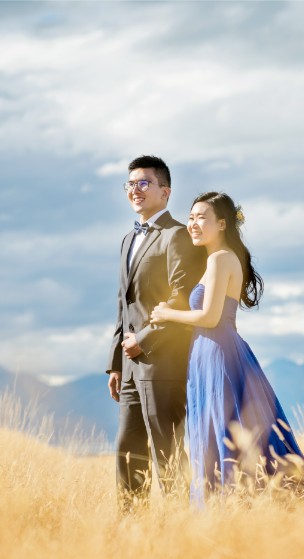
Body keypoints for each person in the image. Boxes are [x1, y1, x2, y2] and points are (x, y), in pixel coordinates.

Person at [151, 191, 304, 505]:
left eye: (202, 217)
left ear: (223, 224)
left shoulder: (220, 259)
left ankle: (228, 506)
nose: (193, 224)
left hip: (217, 353)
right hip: (214, 351)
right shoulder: (219, 258)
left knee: (221, 430)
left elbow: (210, 317)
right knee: (224, 430)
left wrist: (167, 314)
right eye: (191, 217)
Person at [106, 155, 205, 510]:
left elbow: (180, 296)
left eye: (144, 183)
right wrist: (116, 363)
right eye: (130, 184)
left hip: (163, 363)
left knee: (168, 453)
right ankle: (131, 532)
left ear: (165, 192)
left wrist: (143, 340)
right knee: (127, 451)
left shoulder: (177, 235)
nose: (136, 190)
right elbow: (123, 305)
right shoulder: (126, 240)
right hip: (130, 367)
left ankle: (181, 527)